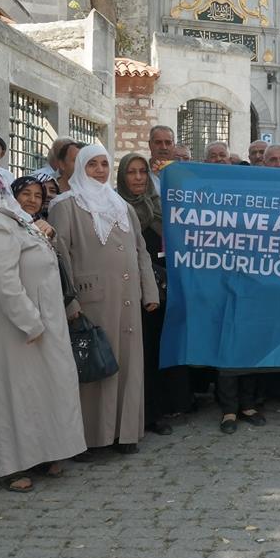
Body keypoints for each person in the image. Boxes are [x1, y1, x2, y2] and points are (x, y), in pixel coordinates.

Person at [0, 170, 86, 492]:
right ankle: (11, 465)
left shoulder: (13, 220)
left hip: (41, 320)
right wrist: (29, 321)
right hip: (13, 326)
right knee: (14, 394)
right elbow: (3, 281)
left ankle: (47, 452)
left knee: (45, 389)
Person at [49, 144, 159, 456]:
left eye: (104, 164)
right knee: (95, 366)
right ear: (80, 167)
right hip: (91, 300)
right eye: (92, 164)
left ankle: (125, 433)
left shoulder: (120, 205)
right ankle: (92, 437)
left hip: (127, 299)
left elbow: (140, 250)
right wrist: (69, 302)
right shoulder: (66, 204)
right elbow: (60, 257)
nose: (99, 170)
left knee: (127, 365)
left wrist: (148, 292)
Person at [117, 153, 191, 435]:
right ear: (123, 176)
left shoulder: (161, 207)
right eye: (131, 173)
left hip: (166, 289)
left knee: (162, 347)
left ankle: (164, 407)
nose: (137, 178)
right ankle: (143, 413)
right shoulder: (116, 207)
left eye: (142, 172)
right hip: (132, 290)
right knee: (140, 352)